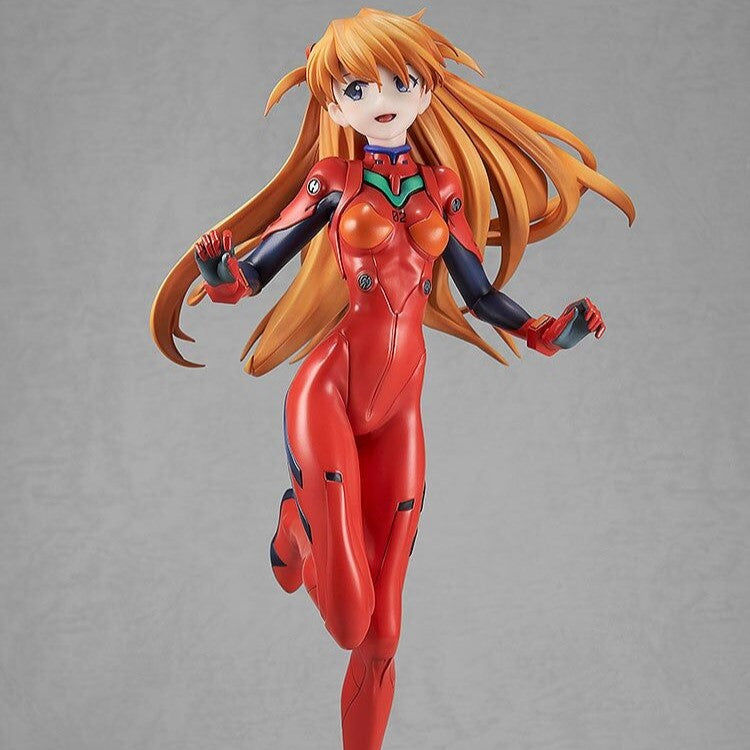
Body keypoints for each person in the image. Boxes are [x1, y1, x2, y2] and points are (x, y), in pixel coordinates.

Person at [150, 8, 634, 749]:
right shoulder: (333, 181)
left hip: (402, 409)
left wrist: (543, 331)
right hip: (330, 393)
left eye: (403, 80)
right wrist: (219, 274)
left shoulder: (442, 188)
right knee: (349, 621)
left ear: (427, 90)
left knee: (383, 635)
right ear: (333, 100)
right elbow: (255, 271)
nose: (383, 97)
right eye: (358, 86)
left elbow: (478, 293)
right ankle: (296, 524)